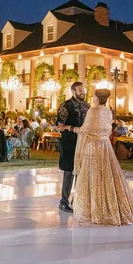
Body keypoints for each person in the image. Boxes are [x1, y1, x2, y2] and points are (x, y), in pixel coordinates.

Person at [62, 89, 133, 225]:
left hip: (93, 148)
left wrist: (68, 127)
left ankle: (94, 210)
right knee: (108, 176)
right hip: (105, 147)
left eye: (94, 95)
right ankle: (111, 206)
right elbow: (106, 129)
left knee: (92, 177)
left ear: (97, 98)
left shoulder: (93, 111)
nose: (92, 97)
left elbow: (85, 130)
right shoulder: (107, 111)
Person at [57, 82, 90, 213]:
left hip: (84, 143)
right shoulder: (65, 106)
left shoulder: (87, 106)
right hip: (69, 144)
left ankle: (76, 201)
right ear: (73, 92)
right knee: (69, 172)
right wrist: (70, 129)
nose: (83, 92)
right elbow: (60, 125)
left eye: (83, 90)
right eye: (80, 90)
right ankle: (63, 202)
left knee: (81, 173)